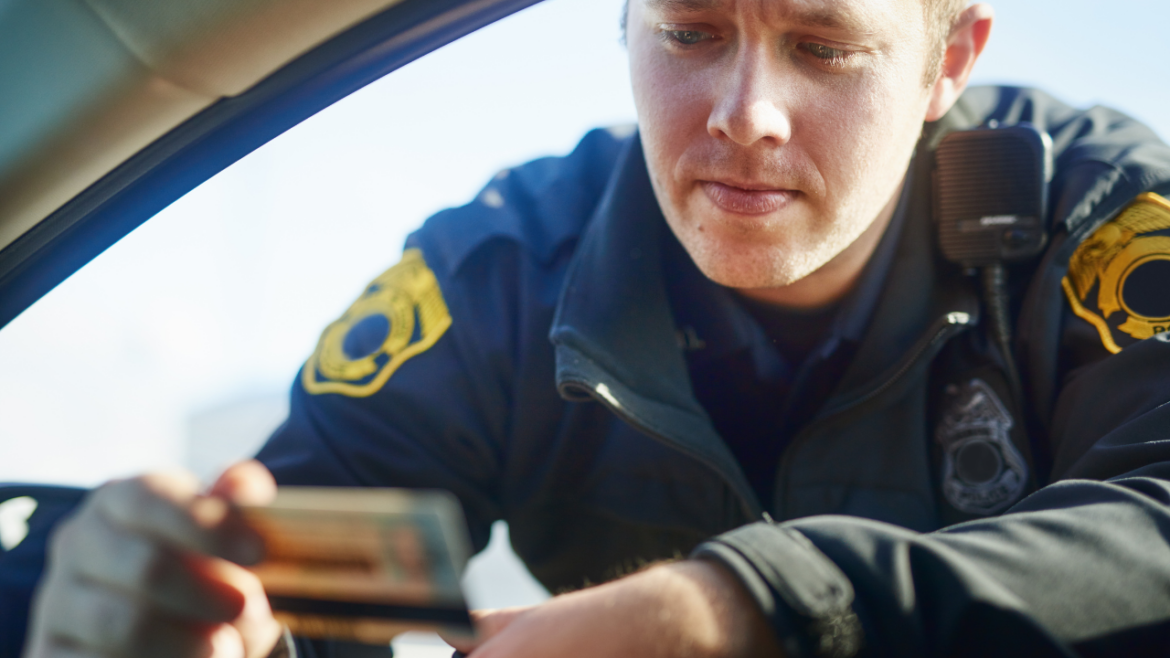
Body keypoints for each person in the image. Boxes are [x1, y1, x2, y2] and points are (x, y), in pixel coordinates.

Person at [17, 0, 1170, 656]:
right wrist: (183, 619)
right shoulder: (505, 272)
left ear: (947, 62)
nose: (744, 113)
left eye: (822, 46)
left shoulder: (1100, 218)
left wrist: (721, 616)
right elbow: (293, 586)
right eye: (690, 32)